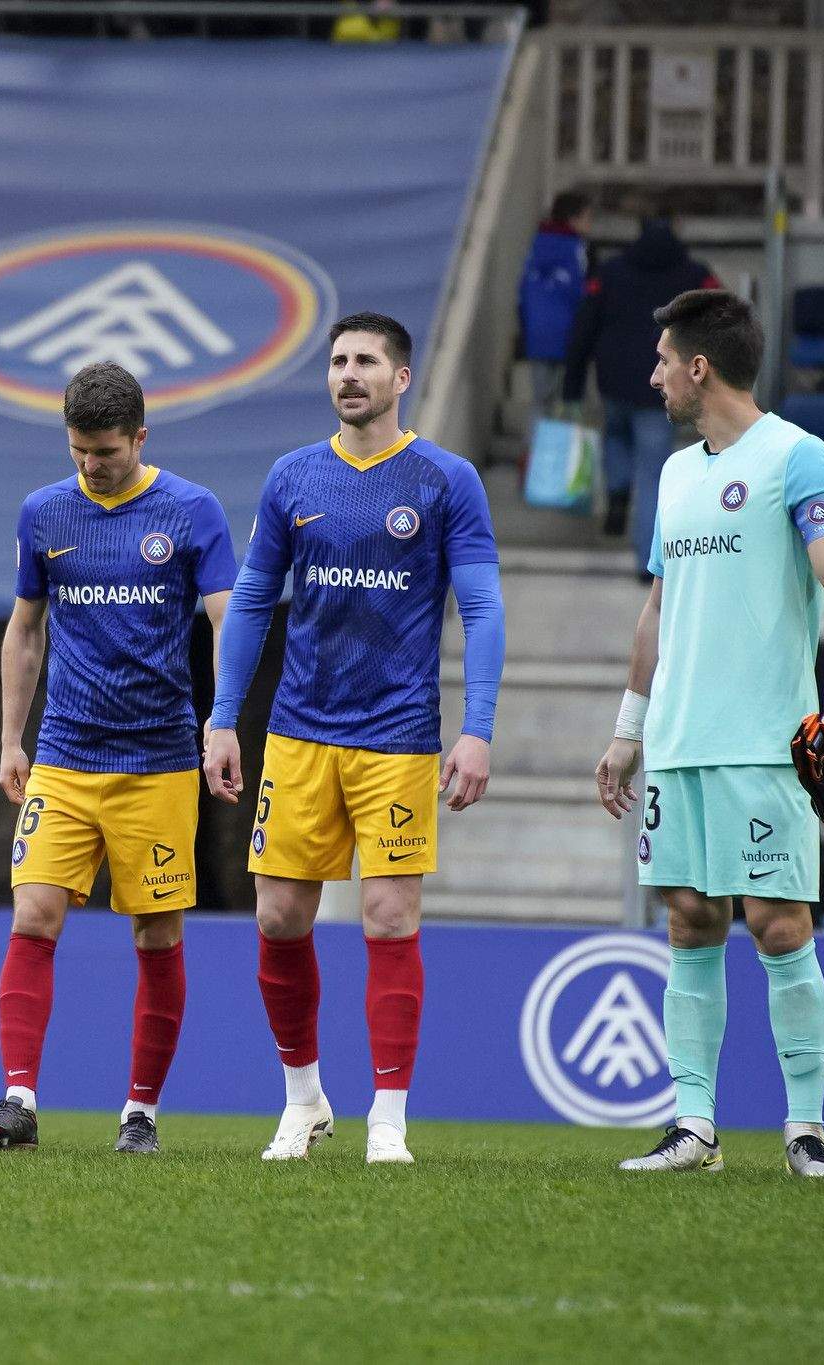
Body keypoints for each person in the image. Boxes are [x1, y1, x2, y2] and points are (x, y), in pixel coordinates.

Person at [205, 312, 505, 1167]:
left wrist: (477, 729)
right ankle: (304, 1099)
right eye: (337, 361)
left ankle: (389, 1116)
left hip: (399, 736)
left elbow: (481, 608)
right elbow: (253, 600)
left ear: (401, 378)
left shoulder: (447, 481)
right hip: (299, 731)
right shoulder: (293, 476)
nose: (348, 374)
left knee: (386, 916)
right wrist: (225, 716)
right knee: (279, 913)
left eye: (366, 361)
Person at [594, 289, 824, 1179]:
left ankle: (805, 1130)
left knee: (780, 925)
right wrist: (629, 728)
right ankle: (694, 1128)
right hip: (679, 741)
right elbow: (659, 609)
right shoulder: (676, 473)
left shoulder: (799, 456)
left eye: (664, 360)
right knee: (688, 920)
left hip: (763, 741)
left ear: (699, 367)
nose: (654, 376)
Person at [0, 363, 234, 1156]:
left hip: (157, 760)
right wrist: (12, 737)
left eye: (107, 452)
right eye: (80, 450)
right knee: (33, 913)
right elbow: (24, 629)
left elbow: (231, 620)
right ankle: (17, 1099)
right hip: (66, 754)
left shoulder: (190, 511)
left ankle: (141, 1112)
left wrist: (223, 719)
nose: (91, 465)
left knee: (155, 933)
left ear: (141, 438)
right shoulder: (44, 513)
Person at [562, 204, 721, 553]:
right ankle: (646, 561)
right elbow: (722, 320)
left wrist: (572, 384)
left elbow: (584, 326)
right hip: (661, 384)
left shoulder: (610, 271)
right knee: (653, 473)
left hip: (613, 380)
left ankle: (617, 493)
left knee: (616, 435)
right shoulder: (695, 275)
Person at [518, 189, 592, 408]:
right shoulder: (574, 248)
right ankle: (558, 442)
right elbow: (576, 290)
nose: (590, 224)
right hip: (566, 329)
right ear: (574, 218)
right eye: (588, 217)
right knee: (565, 400)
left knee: (540, 398)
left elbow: (523, 290)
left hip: (537, 329)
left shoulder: (537, 244)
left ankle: (536, 441)